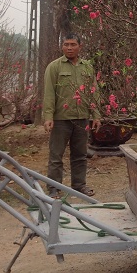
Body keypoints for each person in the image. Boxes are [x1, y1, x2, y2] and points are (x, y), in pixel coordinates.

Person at [43, 33, 101, 198]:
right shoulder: (54, 67)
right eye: (66, 44)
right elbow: (49, 94)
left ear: (80, 46)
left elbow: (93, 92)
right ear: (62, 47)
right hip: (61, 119)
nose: (69, 48)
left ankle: (79, 185)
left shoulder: (87, 67)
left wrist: (96, 115)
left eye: (73, 44)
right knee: (56, 156)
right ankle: (54, 188)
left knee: (80, 155)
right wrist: (48, 117)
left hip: (82, 118)